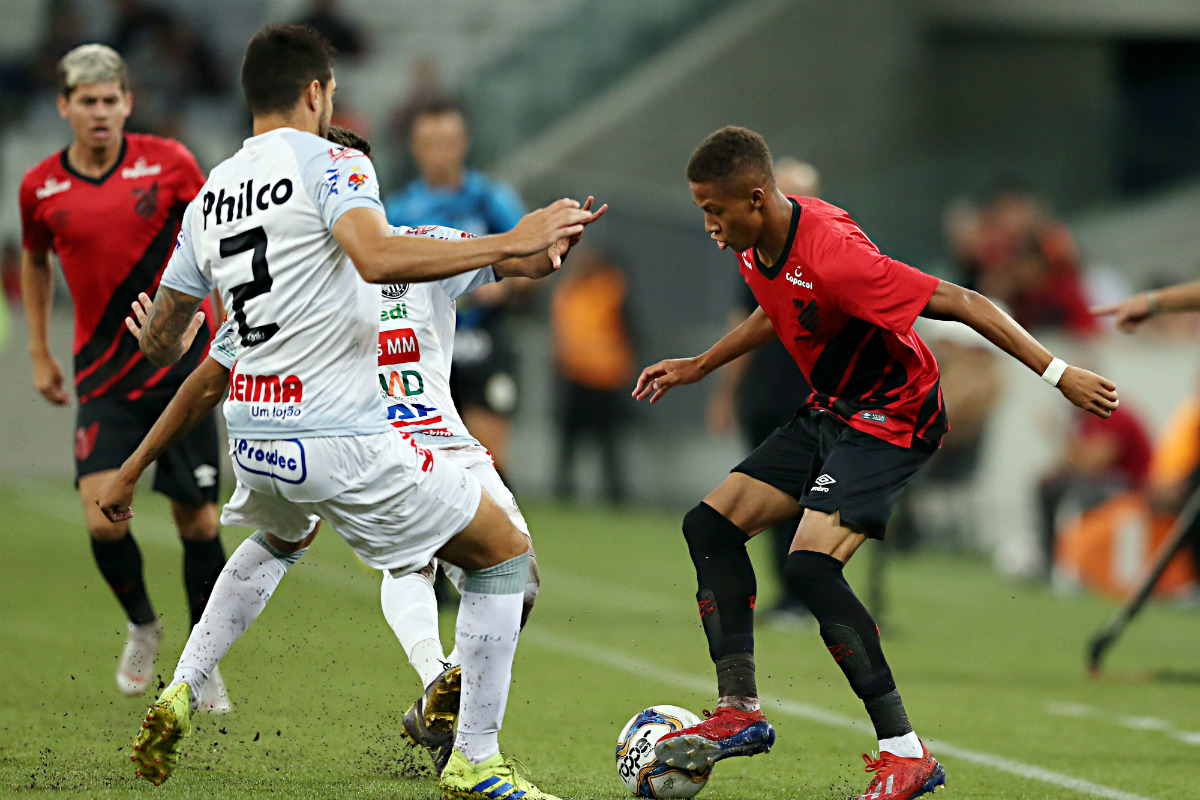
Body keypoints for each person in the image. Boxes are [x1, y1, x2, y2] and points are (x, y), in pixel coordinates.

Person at [117, 24, 596, 799]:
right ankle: (472, 753)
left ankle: (182, 686)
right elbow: (377, 256)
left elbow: (170, 343)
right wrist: (514, 237)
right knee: (502, 556)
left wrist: (535, 248)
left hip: (261, 434)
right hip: (349, 436)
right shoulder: (336, 175)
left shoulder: (215, 196)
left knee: (285, 536)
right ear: (316, 94)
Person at [632, 127, 1118, 800]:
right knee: (710, 526)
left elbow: (965, 302)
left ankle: (906, 754)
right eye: (702, 211)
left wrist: (1059, 372)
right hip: (832, 409)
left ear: (756, 197)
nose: (709, 225)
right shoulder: (754, 242)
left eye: (714, 211)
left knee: (809, 565)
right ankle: (739, 711)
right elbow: (780, 308)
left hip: (893, 415)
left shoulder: (836, 257)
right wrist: (702, 365)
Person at [17, 42, 229, 708]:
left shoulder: (171, 164)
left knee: (198, 522)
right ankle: (143, 625)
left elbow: (217, 240)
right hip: (104, 377)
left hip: (181, 371)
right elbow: (34, 261)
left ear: (128, 102)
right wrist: (39, 351)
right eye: (88, 101)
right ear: (65, 106)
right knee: (103, 518)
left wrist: (221, 328)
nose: (101, 111)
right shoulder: (40, 187)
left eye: (111, 99)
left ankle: (202, 662)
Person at [385, 98, 527, 475]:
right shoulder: (399, 209)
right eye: (431, 143)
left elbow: (535, 262)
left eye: (449, 142)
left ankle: (496, 510)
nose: (441, 152)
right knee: (422, 459)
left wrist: (505, 287)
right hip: (421, 344)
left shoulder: (490, 199)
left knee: (490, 459)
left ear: (464, 143)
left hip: (481, 338)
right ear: (416, 148)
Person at [707, 157, 818, 623]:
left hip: (812, 397)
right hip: (764, 393)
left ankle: (802, 595)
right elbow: (743, 327)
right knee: (772, 498)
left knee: (803, 497)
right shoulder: (756, 256)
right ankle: (791, 594)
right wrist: (725, 394)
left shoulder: (828, 253)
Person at [549, 246, 635, 503]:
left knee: (609, 441)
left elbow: (631, 330)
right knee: (569, 439)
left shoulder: (611, 288)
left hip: (606, 377)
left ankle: (615, 493)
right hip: (574, 374)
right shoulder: (570, 290)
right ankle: (563, 489)